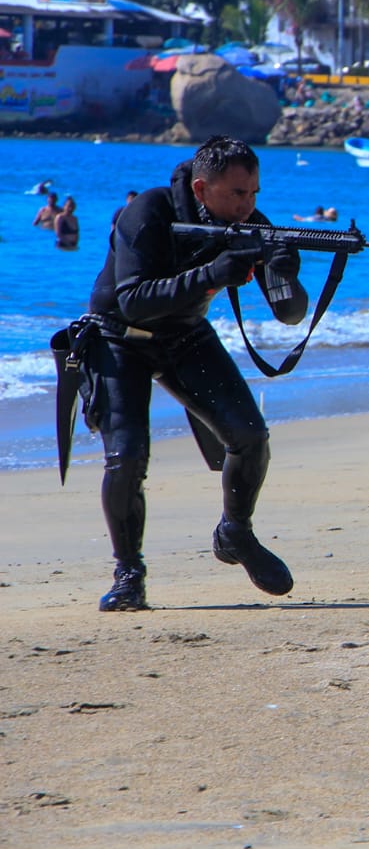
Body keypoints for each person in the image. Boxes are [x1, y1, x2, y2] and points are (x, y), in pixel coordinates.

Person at [68, 136, 309, 611]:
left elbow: (289, 315)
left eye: (255, 193)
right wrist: (215, 274)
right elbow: (133, 299)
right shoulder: (150, 212)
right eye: (238, 194)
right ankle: (128, 574)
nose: (248, 206)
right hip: (119, 337)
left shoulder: (250, 224)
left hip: (184, 336)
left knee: (250, 436)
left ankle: (234, 532)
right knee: (128, 456)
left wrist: (283, 271)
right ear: (201, 189)